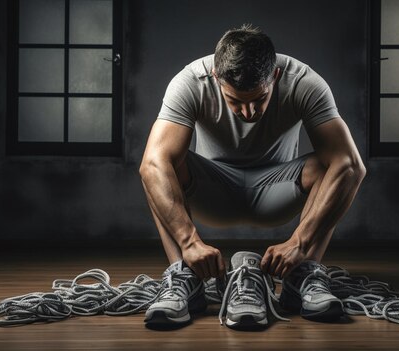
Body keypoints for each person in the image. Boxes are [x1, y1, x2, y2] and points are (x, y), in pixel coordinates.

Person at [139, 24, 366, 328]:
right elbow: (152, 165)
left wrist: (299, 241)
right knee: (159, 164)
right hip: (212, 190)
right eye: (236, 101)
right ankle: (183, 275)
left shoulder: (303, 81)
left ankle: (304, 275)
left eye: (258, 100)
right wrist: (189, 240)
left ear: (274, 77)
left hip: (279, 190)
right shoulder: (191, 81)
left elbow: (352, 165)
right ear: (216, 79)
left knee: (338, 163)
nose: (248, 113)